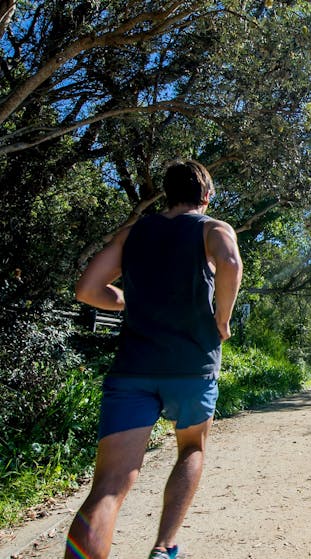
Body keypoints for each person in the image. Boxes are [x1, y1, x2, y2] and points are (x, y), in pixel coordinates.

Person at [66, 160, 243, 559]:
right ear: (207, 195)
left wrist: (127, 299)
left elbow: (88, 289)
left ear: (166, 194)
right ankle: (164, 547)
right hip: (193, 366)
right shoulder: (212, 228)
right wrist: (223, 318)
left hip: (133, 367)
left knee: (109, 485)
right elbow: (230, 263)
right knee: (191, 450)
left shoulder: (133, 234)